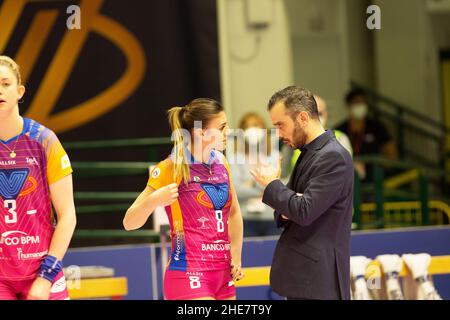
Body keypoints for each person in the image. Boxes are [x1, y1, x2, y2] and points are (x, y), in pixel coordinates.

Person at [123, 98, 244, 300]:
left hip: (223, 275)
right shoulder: (171, 167)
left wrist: (236, 257)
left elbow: (234, 213)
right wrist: (154, 200)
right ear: (200, 132)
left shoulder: (222, 162)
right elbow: (128, 222)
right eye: (222, 127)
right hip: (189, 273)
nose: (229, 132)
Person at [250, 86, 353, 300]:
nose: (278, 134)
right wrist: (290, 204)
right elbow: (290, 209)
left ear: (303, 117)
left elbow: (304, 211)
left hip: (319, 282)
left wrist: (272, 185)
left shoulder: (333, 157)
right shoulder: (307, 152)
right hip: (306, 279)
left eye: (280, 125)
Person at [0, 56, 76, 300]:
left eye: (5, 84)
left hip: (42, 272)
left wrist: (45, 277)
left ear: (19, 91)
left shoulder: (44, 140)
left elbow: (67, 216)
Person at [281, 95, 353, 178]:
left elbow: (342, 172)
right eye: (312, 114)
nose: (317, 118)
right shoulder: (293, 140)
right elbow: (283, 174)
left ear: (326, 115)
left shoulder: (340, 138)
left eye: (320, 113)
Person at [336, 88, 397, 180]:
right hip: (348, 182)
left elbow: (391, 152)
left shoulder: (377, 127)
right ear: (348, 106)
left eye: (363, 102)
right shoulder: (340, 130)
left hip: (374, 181)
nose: (360, 105)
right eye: (357, 102)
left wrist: (382, 166)